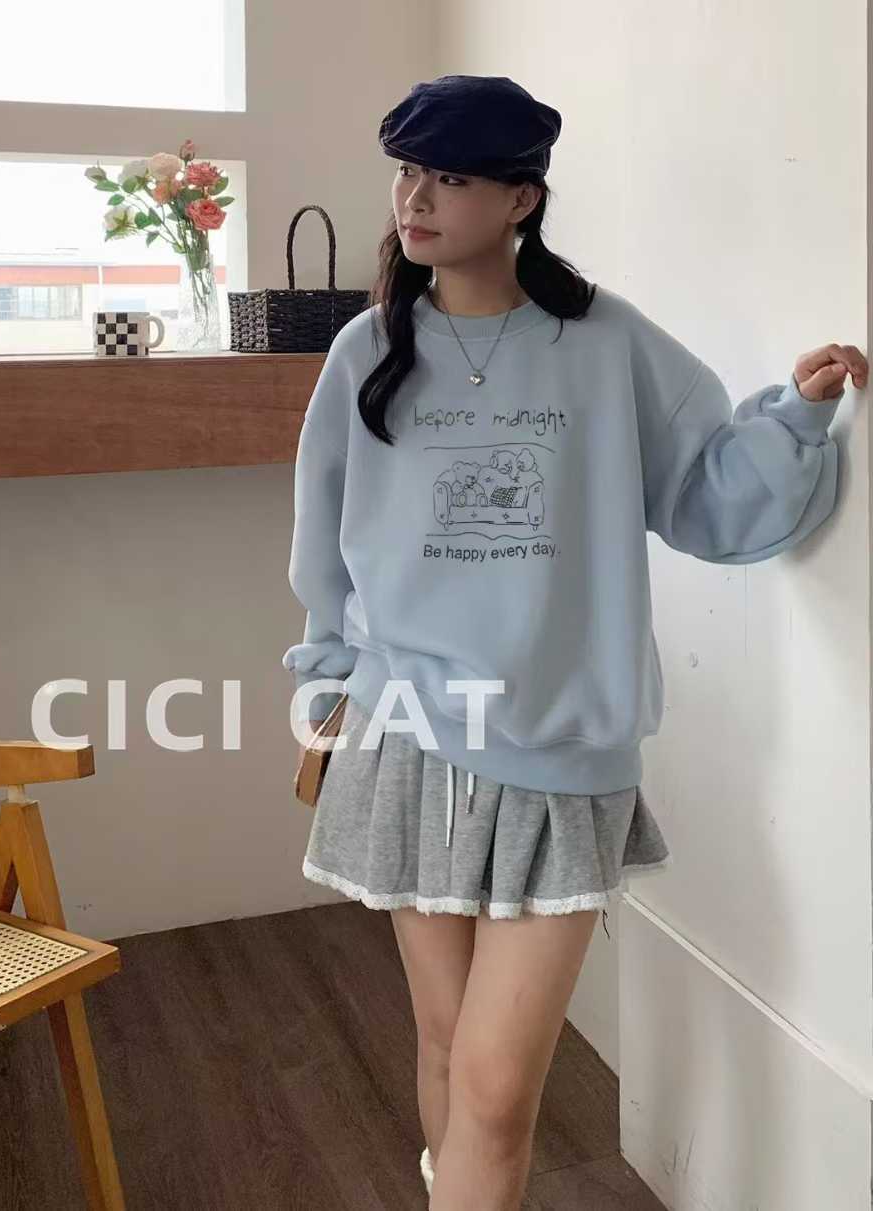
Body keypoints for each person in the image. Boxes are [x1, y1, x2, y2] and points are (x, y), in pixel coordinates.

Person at [281, 74, 866, 1210]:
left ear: (521, 198)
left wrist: (795, 415)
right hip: (408, 736)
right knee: (446, 1044)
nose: (417, 199)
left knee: (498, 1086)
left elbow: (705, 491)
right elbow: (324, 548)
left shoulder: (604, 341)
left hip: (561, 752)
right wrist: (329, 681)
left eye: (451, 177)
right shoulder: (366, 350)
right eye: (408, 173)